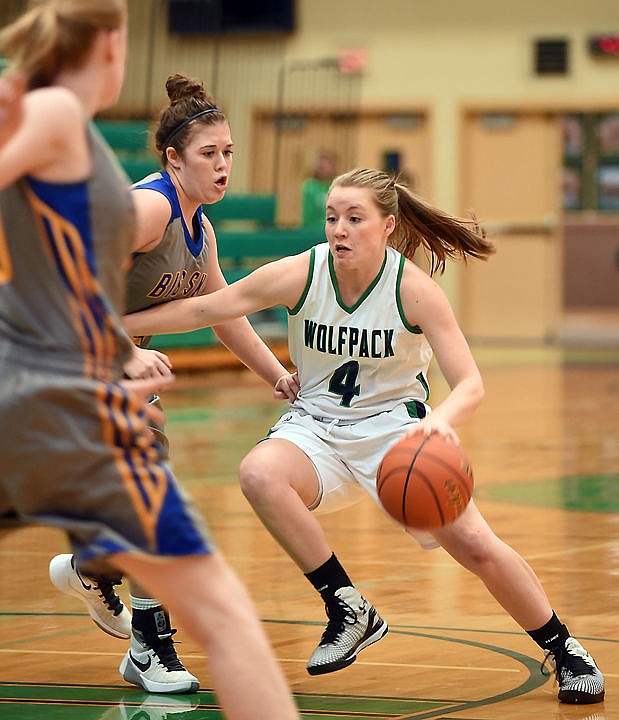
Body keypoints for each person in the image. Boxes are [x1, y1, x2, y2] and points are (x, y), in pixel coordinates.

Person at [124, 167, 605, 706]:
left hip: (395, 435)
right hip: (317, 429)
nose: (340, 230)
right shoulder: (302, 273)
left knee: (474, 545)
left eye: (355, 219)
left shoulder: (413, 291)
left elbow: (470, 384)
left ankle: (565, 649)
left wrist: (436, 425)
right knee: (258, 473)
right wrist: (106, 324)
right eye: (332, 218)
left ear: (388, 226)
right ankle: (346, 606)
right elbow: (207, 308)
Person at [0, 3, 300, 719]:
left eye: (228, 152)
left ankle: (104, 585)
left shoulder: (200, 230)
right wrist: (116, 345)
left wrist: (279, 378)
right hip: (58, 376)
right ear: (172, 158)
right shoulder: (148, 210)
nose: (223, 165)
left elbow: (225, 316)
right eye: (209, 154)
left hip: (75, 385)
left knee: (150, 492)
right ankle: (128, 617)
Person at [300, 149, 337, 227]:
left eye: (326, 164)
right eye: (320, 165)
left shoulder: (337, 187)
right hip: (312, 229)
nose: (322, 168)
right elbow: (307, 213)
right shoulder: (309, 186)